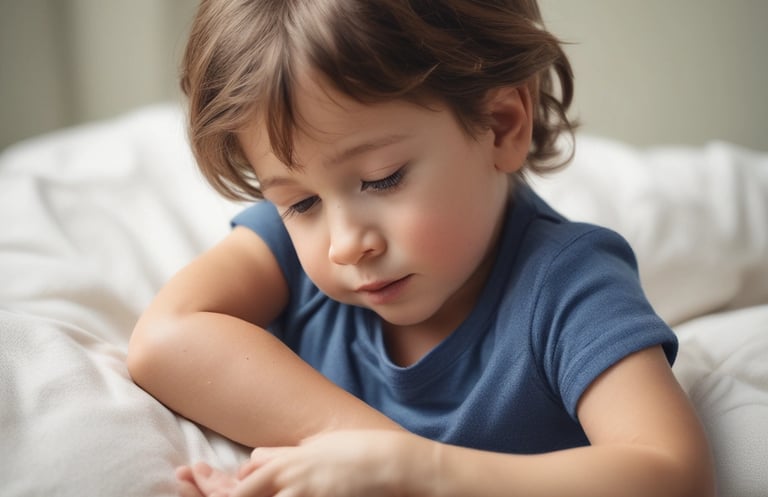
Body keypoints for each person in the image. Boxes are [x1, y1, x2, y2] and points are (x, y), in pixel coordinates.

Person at [127, 1, 716, 496]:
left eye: (382, 179)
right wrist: (358, 450)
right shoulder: (284, 248)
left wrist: (415, 470)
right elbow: (165, 339)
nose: (345, 244)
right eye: (301, 203)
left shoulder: (568, 283)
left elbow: (675, 473)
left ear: (501, 124)